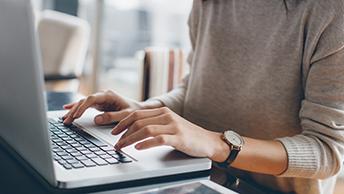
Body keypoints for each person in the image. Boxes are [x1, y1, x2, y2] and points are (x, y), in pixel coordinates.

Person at [63, 1, 344, 193]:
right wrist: (143, 110)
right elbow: (193, 89)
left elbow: (328, 151)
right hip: (192, 178)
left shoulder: (331, 11)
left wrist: (217, 144)